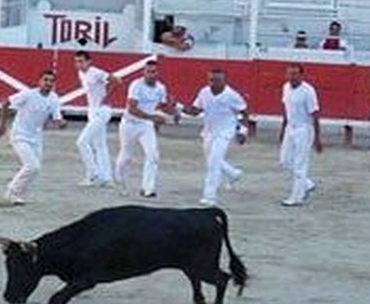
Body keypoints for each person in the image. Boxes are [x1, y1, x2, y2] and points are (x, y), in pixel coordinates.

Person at [0, 70, 65, 205]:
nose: (48, 83)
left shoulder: (54, 98)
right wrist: (2, 125)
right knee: (32, 166)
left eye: (51, 81)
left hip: (36, 137)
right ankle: (12, 192)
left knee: (35, 168)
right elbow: (5, 103)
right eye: (46, 80)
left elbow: (57, 118)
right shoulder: (28, 94)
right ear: (40, 81)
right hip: (19, 134)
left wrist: (61, 123)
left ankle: (17, 194)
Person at [180, 69, 249, 206]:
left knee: (213, 163)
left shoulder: (232, 95)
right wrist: (178, 107)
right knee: (212, 160)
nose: (213, 83)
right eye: (211, 80)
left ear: (224, 81)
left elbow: (243, 113)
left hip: (225, 132)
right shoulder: (204, 92)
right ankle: (234, 173)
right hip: (209, 132)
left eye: (217, 80)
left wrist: (243, 131)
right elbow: (195, 110)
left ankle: (209, 196)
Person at [116, 60, 174, 198]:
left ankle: (148, 188)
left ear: (157, 73)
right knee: (126, 156)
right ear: (144, 72)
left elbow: (164, 105)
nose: (150, 74)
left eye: (153, 72)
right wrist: (153, 118)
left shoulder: (161, 88)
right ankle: (119, 181)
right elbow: (132, 108)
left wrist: (173, 109)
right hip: (129, 124)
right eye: (148, 71)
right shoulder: (136, 85)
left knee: (153, 154)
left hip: (145, 126)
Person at [279, 63, 322, 206]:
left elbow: (315, 114)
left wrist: (317, 137)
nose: (292, 77)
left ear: (301, 75)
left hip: (304, 128)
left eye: (295, 74)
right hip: (290, 128)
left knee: (300, 164)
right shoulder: (285, 87)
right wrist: (282, 129)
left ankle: (297, 197)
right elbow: (286, 110)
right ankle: (307, 183)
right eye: (290, 73)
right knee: (284, 161)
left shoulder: (308, 91)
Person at [73, 51, 116, 188]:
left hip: (101, 111)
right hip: (92, 111)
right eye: (77, 61)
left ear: (89, 61)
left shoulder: (96, 72)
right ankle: (107, 178)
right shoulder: (81, 74)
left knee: (82, 142)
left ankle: (92, 174)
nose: (79, 64)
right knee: (100, 145)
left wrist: (106, 98)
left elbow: (116, 80)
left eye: (81, 61)